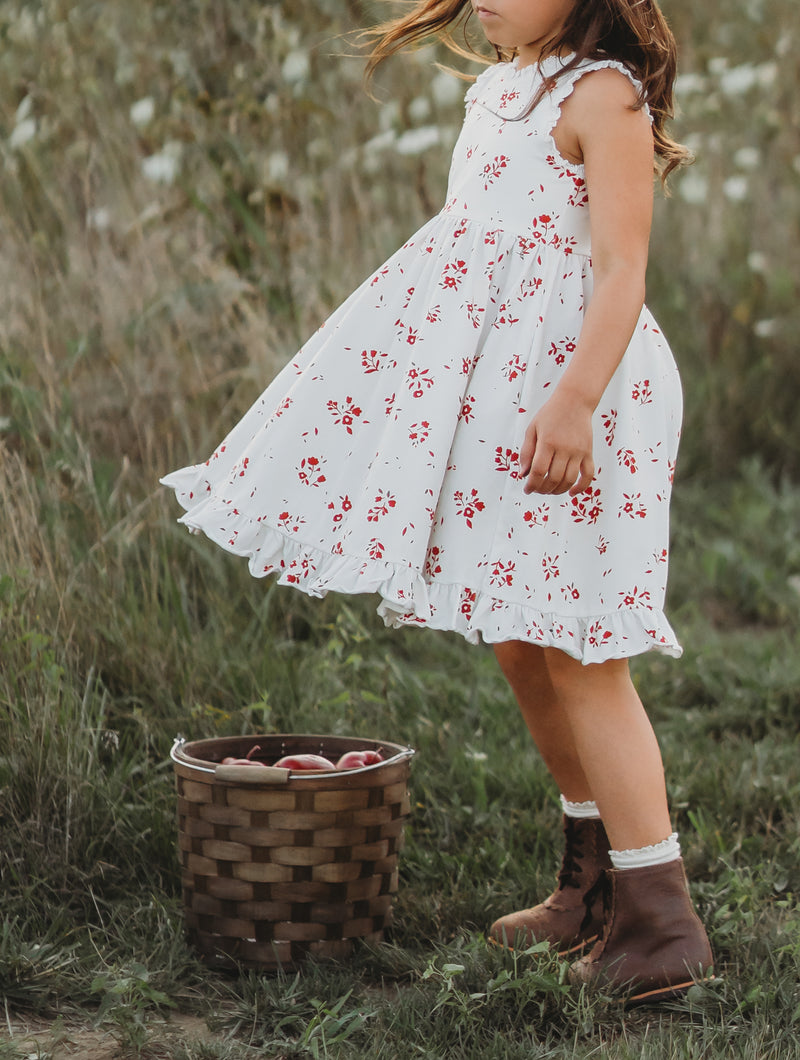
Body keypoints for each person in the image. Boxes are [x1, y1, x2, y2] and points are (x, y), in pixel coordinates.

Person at [161, 0, 712, 1001]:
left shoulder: (602, 95)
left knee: (582, 646)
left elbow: (620, 269)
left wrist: (574, 401)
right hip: (498, 399)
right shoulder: (500, 86)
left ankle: (659, 916)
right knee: (515, 632)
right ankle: (589, 875)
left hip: (576, 401)